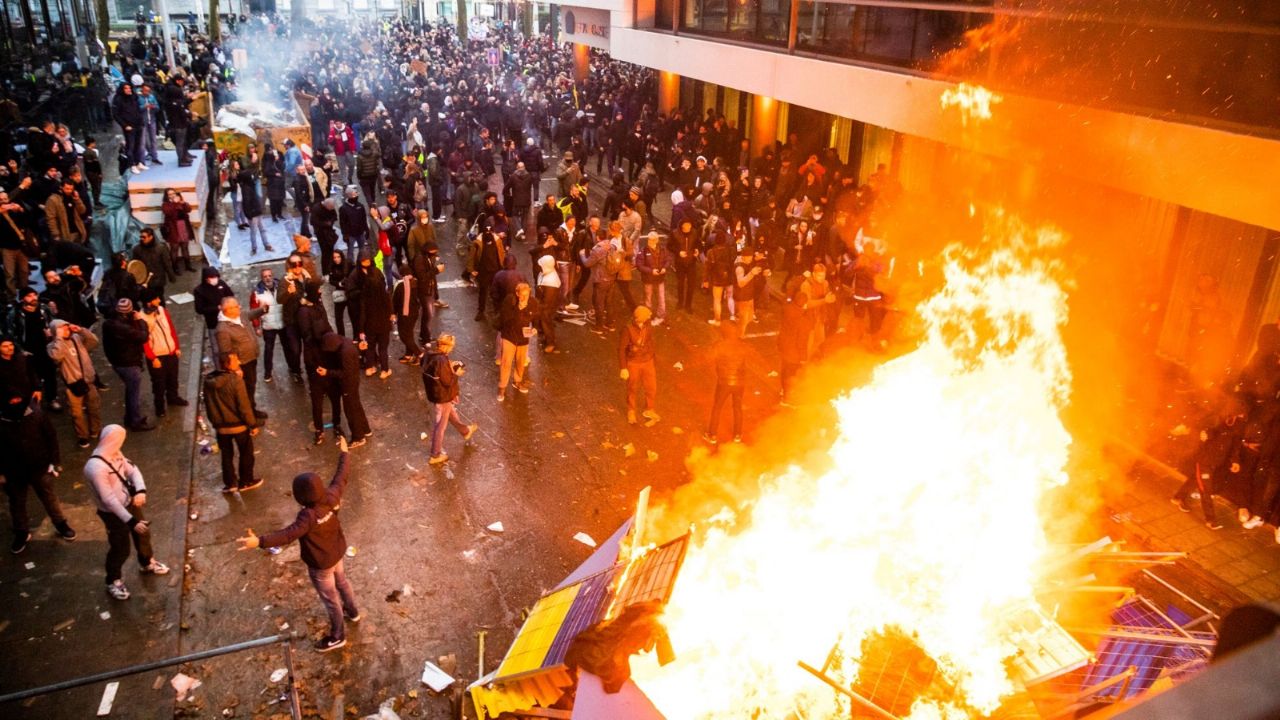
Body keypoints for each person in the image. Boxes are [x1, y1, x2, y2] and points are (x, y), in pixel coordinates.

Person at [236, 436, 361, 652]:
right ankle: (353, 612)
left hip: (321, 565)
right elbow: (341, 477)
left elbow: (287, 535)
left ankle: (338, 636)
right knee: (343, 582)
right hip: (337, 553)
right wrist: (344, 453)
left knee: (331, 600)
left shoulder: (307, 517)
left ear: (300, 498)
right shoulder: (331, 497)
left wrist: (259, 541)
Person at [85, 425, 170, 601]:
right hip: (112, 514)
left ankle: (146, 562)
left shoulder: (116, 453)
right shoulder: (95, 468)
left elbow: (133, 470)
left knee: (143, 536)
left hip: (129, 504)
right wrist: (131, 521)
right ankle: (113, 580)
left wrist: (141, 490)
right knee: (120, 548)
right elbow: (108, 499)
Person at [1, 402, 74, 554]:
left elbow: (51, 437)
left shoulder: (36, 414)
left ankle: (60, 524)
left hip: (39, 467)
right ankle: (21, 532)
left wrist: (55, 462)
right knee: (17, 502)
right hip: (12, 471)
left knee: (49, 497)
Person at [203, 352, 262, 493]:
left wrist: (215, 422)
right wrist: (252, 425)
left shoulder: (208, 382)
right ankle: (246, 481)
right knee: (246, 453)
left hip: (221, 427)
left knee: (226, 455)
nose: (239, 362)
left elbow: (208, 405)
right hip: (238, 426)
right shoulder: (235, 381)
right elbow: (244, 406)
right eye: (235, 360)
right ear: (227, 365)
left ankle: (230, 484)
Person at [421, 334, 477, 465]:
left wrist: (449, 366)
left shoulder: (429, 355)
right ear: (446, 346)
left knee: (451, 413)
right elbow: (447, 381)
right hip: (442, 395)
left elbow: (434, 372)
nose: (452, 349)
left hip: (434, 393)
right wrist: (456, 373)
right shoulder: (442, 360)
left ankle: (465, 431)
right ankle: (435, 455)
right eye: (451, 347)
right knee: (440, 425)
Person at [47, 320, 102, 447]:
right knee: (77, 413)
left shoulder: (76, 338)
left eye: (67, 327)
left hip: (88, 380)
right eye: (62, 329)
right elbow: (56, 357)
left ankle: (96, 430)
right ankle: (82, 436)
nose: (66, 330)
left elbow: (94, 342)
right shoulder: (53, 346)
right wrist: (59, 338)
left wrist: (81, 330)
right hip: (73, 384)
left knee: (94, 407)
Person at [102, 298, 154, 432]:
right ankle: (135, 421)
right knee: (134, 393)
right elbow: (143, 337)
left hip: (118, 362)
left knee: (130, 390)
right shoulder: (122, 327)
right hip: (128, 362)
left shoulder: (109, 324)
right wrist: (140, 321)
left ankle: (130, 418)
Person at [215, 296, 268, 419]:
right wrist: (236, 368)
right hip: (241, 364)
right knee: (244, 391)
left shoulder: (241, 315)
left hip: (251, 358)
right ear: (228, 310)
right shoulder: (223, 329)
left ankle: (251, 410)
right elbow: (225, 352)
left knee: (251, 386)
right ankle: (247, 417)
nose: (239, 307)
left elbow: (252, 314)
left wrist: (263, 309)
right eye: (236, 306)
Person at [317, 332, 371, 446]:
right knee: (356, 405)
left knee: (350, 410)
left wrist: (327, 372)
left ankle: (358, 437)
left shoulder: (345, 352)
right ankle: (365, 429)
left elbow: (346, 373)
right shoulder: (345, 342)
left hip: (349, 383)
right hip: (353, 381)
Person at [141, 290, 188, 418]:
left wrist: (176, 346)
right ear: (149, 302)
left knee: (173, 379)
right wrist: (152, 358)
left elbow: (170, 328)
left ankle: (173, 398)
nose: (159, 301)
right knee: (159, 383)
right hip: (157, 355)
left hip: (171, 352)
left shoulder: (162, 310)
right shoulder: (142, 318)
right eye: (156, 299)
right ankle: (159, 406)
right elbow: (144, 341)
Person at [705, 322, 748, 444]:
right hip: (739, 382)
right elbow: (748, 360)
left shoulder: (719, 345)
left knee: (717, 407)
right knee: (737, 408)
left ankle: (712, 434)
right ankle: (737, 435)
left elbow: (708, 358)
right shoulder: (742, 345)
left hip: (724, 382)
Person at [497, 283, 539, 402]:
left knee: (521, 362)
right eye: (522, 295)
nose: (525, 298)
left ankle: (517, 381)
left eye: (527, 295)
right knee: (506, 362)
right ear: (517, 293)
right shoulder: (509, 301)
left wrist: (535, 327)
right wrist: (519, 309)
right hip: (509, 336)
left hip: (523, 337)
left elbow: (536, 316)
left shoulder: (533, 302)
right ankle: (502, 387)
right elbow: (506, 318)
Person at [619, 305, 659, 426]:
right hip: (634, 362)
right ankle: (631, 410)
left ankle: (649, 409)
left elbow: (650, 341)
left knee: (651, 386)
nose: (649, 317)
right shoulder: (628, 329)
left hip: (647, 360)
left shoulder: (647, 325)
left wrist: (651, 355)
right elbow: (621, 349)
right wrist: (623, 367)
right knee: (632, 387)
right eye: (647, 315)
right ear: (640, 318)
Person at [250, 266, 284, 382]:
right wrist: (257, 327)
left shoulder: (282, 286)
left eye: (269, 276)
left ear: (273, 276)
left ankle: (294, 369)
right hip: (268, 326)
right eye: (265, 277)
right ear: (261, 278)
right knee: (269, 350)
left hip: (283, 323)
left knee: (289, 348)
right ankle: (267, 373)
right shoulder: (256, 293)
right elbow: (254, 312)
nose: (268, 278)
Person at [131, 227, 176, 299]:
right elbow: (135, 264)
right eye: (141, 237)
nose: (142, 238)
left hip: (158, 280)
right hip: (144, 280)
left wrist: (171, 276)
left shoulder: (161, 248)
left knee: (159, 299)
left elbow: (167, 263)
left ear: (151, 237)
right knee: (146, 300)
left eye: (144, 237)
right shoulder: (137, 249)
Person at [160, 188, 196, 274]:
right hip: (173, 228)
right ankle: (175, 268)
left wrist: (184, 203)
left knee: (185, 247)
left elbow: (188, 210)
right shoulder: (165, 205)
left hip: (183, 226)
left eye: (173, 193)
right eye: (170, 194)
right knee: (174, 248)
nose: (172, 195)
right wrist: (175, 203)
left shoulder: (180, 201)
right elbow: (169, 213)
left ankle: (188, 266)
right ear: (167, 196)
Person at [392, 266, 422, 363]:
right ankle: (408, 354)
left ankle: (420, 354)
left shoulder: (400, 285)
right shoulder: (416, 282)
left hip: (404, 314)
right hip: (414, 313)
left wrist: (393, 313)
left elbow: (395, 301)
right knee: (409, 334)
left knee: (404, 335)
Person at [534, 255, 561, 353]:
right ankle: (547, 339)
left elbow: (547, 300)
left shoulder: (551, 281)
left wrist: (537, 307)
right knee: (545, 322)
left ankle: (551, 343)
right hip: (546, 305)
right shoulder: (548, 273)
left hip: (548, 307)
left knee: (547, 323)